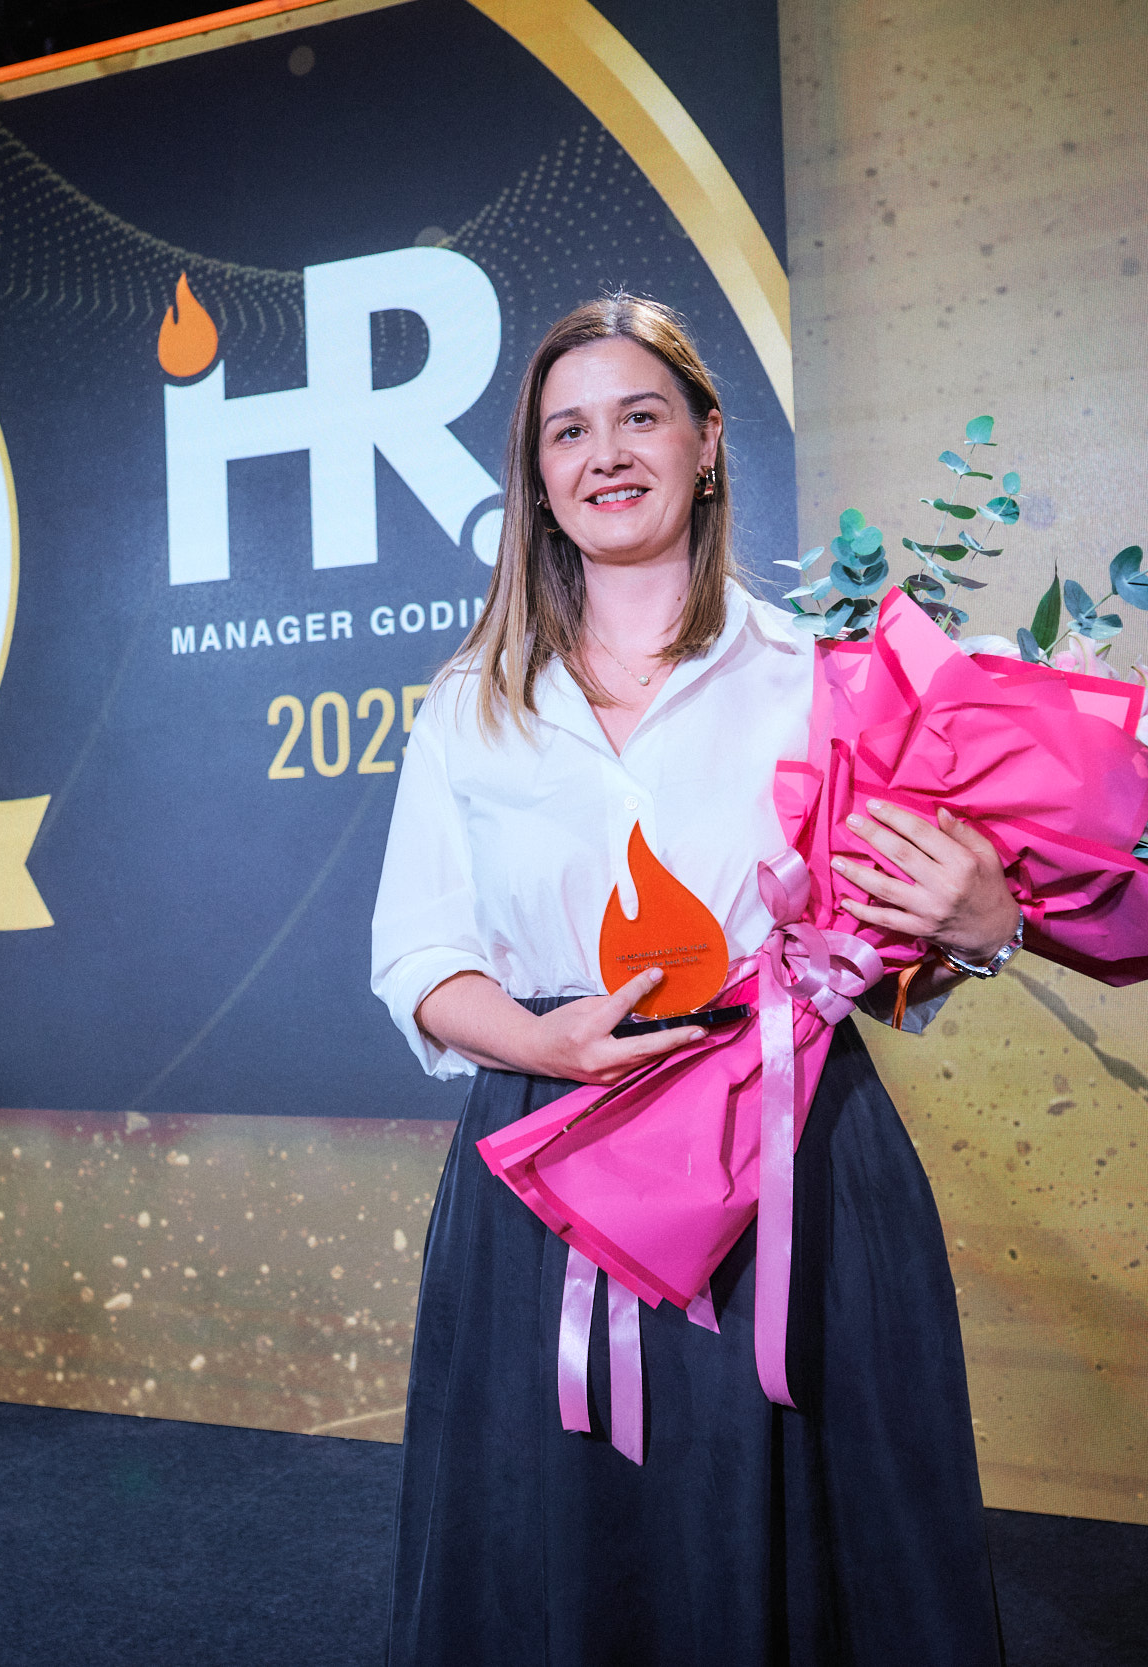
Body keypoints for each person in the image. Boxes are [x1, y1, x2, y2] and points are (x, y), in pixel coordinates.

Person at [372, 295, 1019, 1665]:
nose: (604, 453)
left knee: (800, 1528)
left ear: (708, 441)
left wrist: (980, 926)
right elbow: (418, 959)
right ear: (537, 473)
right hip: (548, 1150)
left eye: (639, 416)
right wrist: (543, 1047)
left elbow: (890, 956)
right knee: (562, 1539)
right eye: (568, 430)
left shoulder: (818, 680)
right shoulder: (468, 700)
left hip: (789, 1151)